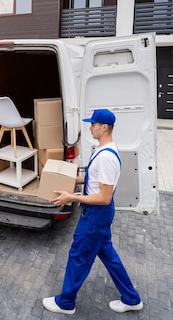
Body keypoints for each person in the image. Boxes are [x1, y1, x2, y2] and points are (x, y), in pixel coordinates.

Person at [42, 109, 142, 315]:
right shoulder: (104, 149)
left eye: (93, 124)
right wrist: (67, 178)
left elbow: (104, 197)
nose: (90, 127)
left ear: (104, 127)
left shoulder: (106, 158)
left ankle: (66, 303)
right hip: (99, 215)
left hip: (96, 214)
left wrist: (72, 197)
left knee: (79, 255)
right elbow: (94, 181)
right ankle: (131, 298)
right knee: (109, 256)